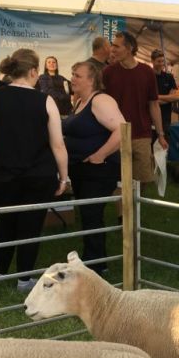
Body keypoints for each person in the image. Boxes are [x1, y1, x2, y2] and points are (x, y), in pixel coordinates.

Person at [0, 48, 69, 293]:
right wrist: (64, 176)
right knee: (31, 225)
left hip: (3, 173)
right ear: (33, 71)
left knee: (5, 221)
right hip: (38, 175)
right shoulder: (45, 101)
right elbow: (58, 143)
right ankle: (24, 279)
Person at [63, 61, 123, 274]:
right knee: (88, 214)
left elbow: (122, 130)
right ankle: (94, 260)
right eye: (73, 74)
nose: (73, 79)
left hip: (99, 170)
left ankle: (95, 265)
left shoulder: (101, 100)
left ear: (91, 79)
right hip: (81, 170)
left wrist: (100, 154)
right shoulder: (79, 101)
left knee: (91, 213)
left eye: (77, 75)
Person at [102, 30, 167, 185]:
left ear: (129, 48)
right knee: (119, 180)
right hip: (115, 133)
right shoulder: (108, 72)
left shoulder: (147, 72)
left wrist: (160, 134)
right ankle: (122, 210)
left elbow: (154, 104)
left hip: (142, 134)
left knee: (142, 180)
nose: (112, 50)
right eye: (112, 46)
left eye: (117, 46)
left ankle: (135, 207)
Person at [151, 49, 179, 138]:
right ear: (152, 61)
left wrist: (156, 97)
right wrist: (168, 98)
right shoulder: (147, 76)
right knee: (150, 144)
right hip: (150, 117)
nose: (161, 64)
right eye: (158, 61)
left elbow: (175, 97)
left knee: (165, 144)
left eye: (163, 61)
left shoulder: (169, 77)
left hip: (165, 118)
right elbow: (146, 99)